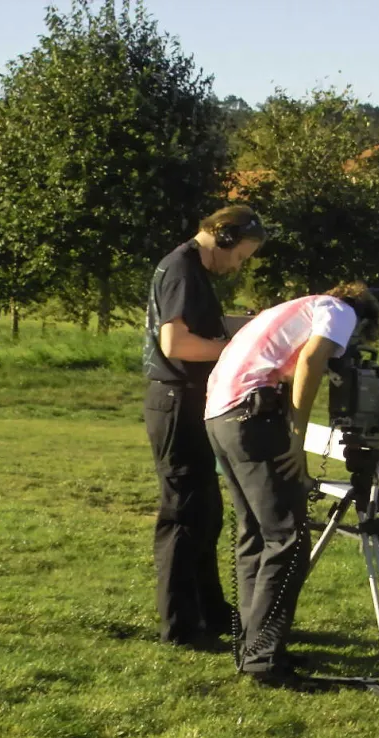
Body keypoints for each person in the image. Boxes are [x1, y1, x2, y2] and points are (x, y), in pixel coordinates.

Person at [204, 281, 379, 687]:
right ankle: (265, 657)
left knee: (255, 535)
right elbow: (311, 361)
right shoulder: (340, 311)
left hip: (220, 415)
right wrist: (297, 436)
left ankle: (255, 646)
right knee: (288, 538)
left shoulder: (291, 308)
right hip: (251, 414)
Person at [142, 205, 266, 648]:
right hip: (175, 401)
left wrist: (258, 329)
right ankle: (180, 626)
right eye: (242, 256)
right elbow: (175, 343)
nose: (239, 265)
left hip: (191, 401)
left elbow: (209, 328)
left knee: (206, 513)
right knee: (182, 517)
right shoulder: (181, 268)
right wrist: (232, 349)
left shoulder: (193, 270)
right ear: (226, 239)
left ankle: (211, 613)